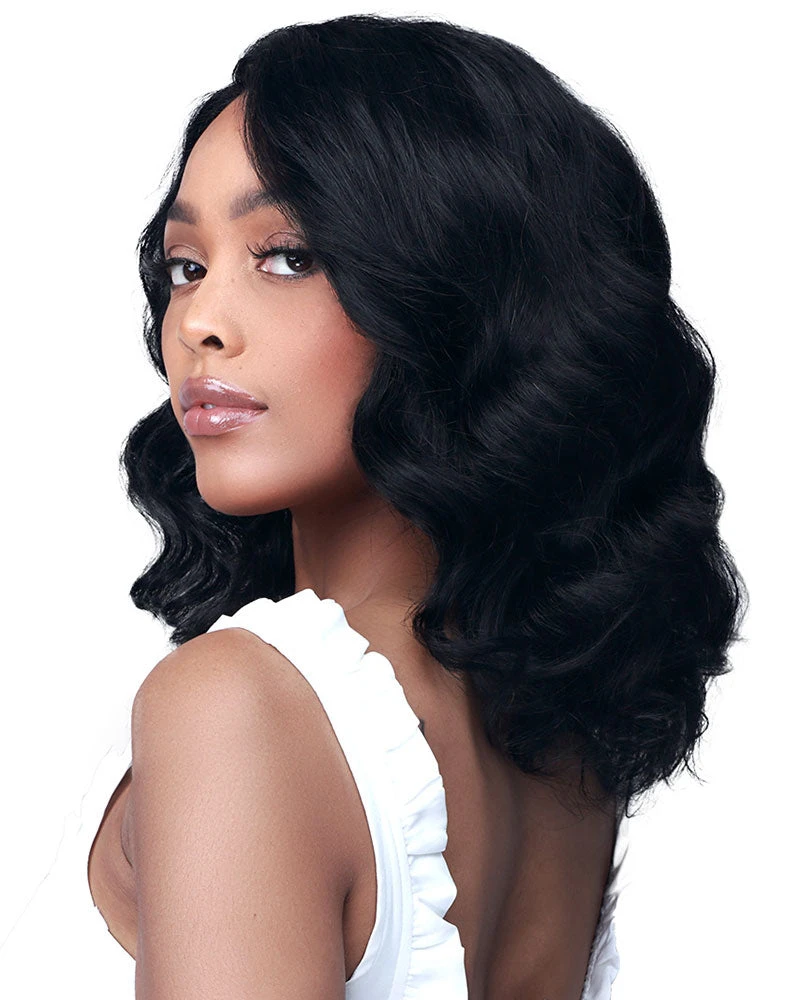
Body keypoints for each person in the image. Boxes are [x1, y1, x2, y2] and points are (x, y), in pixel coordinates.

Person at [64, 12, 746, 999]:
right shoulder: (564, 749)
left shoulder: (239, 706)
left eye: (287, 256)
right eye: (185, 266)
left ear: (456, 294)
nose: (198, 321)